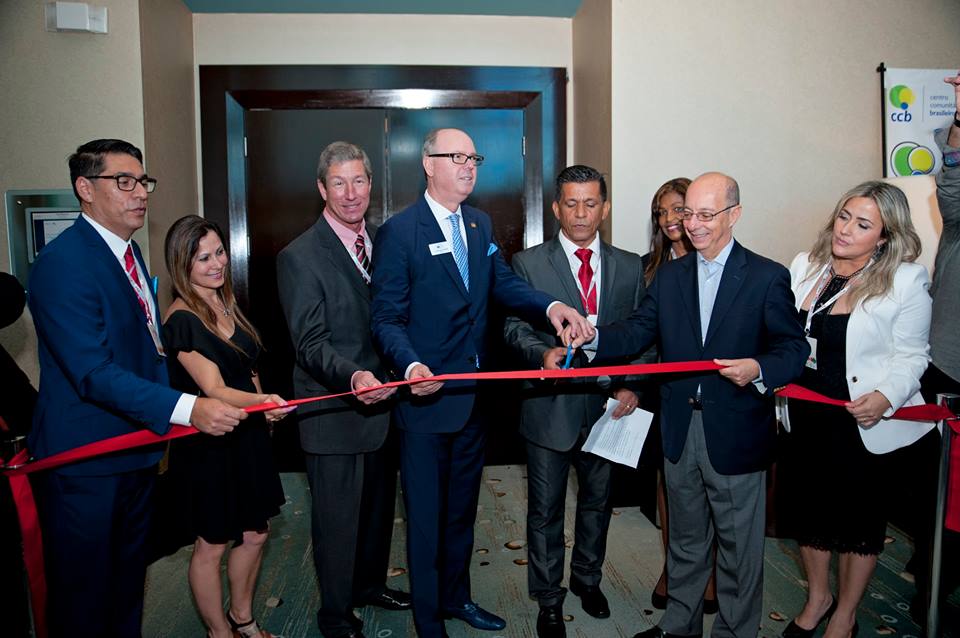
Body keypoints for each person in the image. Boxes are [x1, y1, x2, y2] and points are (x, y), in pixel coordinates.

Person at [555, 172, 809, 638]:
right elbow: (637, 331)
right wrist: (592, 339)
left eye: (706, 214)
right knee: (686, 544)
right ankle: (680, 627)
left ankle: (734, 633)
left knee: (738, 551)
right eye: (687, 213)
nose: (692, 224)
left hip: (734, 433)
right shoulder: (670, 276)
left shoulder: (766, 276)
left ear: (735, 214)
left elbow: (793, 349)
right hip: (677, 430)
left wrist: (758, 368)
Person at [370, 128, 594, 638]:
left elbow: (504, 284)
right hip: (424, 401)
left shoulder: (478, 222)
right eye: (457, 157)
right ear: (429, 164)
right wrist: (408, 368)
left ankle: (456, 598)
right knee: (425, 521)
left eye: (474, 157)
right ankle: (429, 623)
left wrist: (552, 305)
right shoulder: (399, 232)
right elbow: (385, 318)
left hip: (472, 399)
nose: (469, 165)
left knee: (461, 514)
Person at [27, 139, 245, 638]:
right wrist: (188, 407)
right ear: (85, 189)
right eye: (122, 182)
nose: (138, 193)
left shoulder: (128, 255)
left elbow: (145, 351)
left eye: (142, 181)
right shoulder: (64, 263)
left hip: (136, 454)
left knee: (127, 587)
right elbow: (92, 371)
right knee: (84, 599)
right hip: (86, 462)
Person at [777, 181, 932, 638]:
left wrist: (886, 397)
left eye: (863, 224)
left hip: (860, 417)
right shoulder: (806, 265)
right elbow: (783, 333)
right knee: (809, 514)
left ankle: (844, 614)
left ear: (884, 236)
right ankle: (817, 597)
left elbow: (913, 356)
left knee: (856, 522)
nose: (845, 229)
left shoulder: (905, 279)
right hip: (804, 412)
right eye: (844, 216)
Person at [504, 165, 650, 638]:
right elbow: (512, 328)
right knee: (544, 509)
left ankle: (588, 579)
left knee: (597, 502)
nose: (581, 213)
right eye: (571, 203)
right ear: (556, 208)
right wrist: (540, 352)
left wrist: (631, 384)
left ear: (605, 208)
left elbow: (647, 334)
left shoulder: (630, 266)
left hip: (610, 407)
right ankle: (549, 598)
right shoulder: (529, 264)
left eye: (591, 203)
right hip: (550, 406)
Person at [277, 141, 410, 638]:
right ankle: (334, 614)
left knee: (377, 513)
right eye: (339, 182)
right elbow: (310, 343)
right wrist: (353, 377)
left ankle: (369, 586)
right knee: (336, 524)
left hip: (384, 409)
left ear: (371, 184)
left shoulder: (384, 240)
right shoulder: (300, 256)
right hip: (334, 411)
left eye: (358, 181)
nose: (350, 193)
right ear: (321, 188)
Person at [162, 215, 291, 638]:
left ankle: (243, 618)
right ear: (183, 264)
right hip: (209, 446)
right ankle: (219, 632)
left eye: (219, 252)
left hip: (248, 437)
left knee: (256, 533)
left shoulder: (225, 302)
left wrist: (264, 408)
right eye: (203, 258)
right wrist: (263, 402)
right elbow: (214, 389)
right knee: (212, 543)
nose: (217, 263)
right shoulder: (182, 319)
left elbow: (246, 368)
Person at [641, 178, 716, 616]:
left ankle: (707, 573)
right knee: (669, 488)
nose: (670, 220)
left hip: (706, 393)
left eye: (677, 210)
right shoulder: (651, 265)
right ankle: (676, 567)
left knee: (707, 488)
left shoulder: (716, 261)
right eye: (662, 212)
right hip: (661, 390)